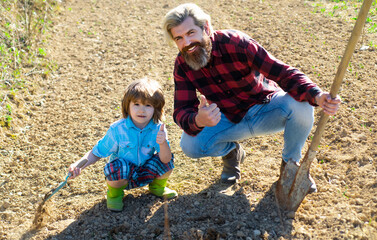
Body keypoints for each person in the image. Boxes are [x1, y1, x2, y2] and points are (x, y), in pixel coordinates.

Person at [162, 3, 341, 189]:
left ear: (206, 27)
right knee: (190, 145)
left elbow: (282, 72)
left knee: (302, 105)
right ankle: (232, 153)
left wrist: (317, 95)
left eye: (191, 33)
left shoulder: (236, 43)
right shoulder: (182, 65)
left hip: (266, 109)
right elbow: (182, 110)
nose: (187, 43)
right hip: (229, 119)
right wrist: (198, 120)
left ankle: (290, 167)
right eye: (179, 38)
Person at [68, 78, 177, 211]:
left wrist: (163, 143)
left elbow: (165, 160)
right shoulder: (118, 130)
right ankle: (115, 195)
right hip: (123, 175)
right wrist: (78, 165)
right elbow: (97, 152)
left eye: (148, 105)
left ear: (156, 108)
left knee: (168, 157)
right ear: (127, 106)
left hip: (146, 172)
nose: (141, 110)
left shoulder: (157, 129)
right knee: (118, 166)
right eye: (136, 104)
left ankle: (157, 187)